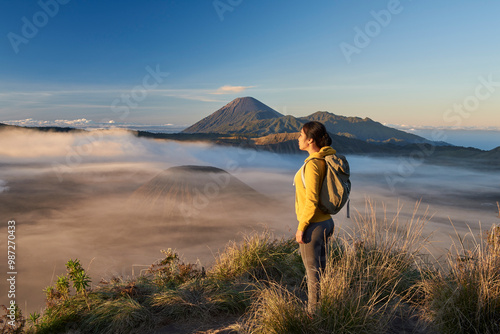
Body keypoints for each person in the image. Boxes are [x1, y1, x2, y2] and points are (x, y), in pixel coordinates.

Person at [294, 121, 335, 313]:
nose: (298, 138)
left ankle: (313, 316)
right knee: (322, 270)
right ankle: (325, 309)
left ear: (310, 140)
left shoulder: (312, 165)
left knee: (313, 275)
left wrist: (302, 227)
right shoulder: (325, 158)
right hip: (326, 222)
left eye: (301, 135)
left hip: (314, 226)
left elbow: (310, 200)